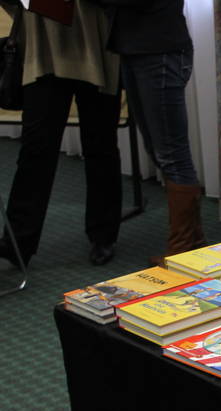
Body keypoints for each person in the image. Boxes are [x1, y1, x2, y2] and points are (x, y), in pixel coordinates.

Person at [0, 0, 123, 267]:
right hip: (42, 48)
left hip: (95, 42)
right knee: (35, 149)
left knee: (100, 144)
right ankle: (18, 241)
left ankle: (103, 234)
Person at [96, 0, 205, 264]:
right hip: (138, 49)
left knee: (171, 154)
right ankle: (193, 243)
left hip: (159, 51)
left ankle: (183, 249)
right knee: (159, 150)